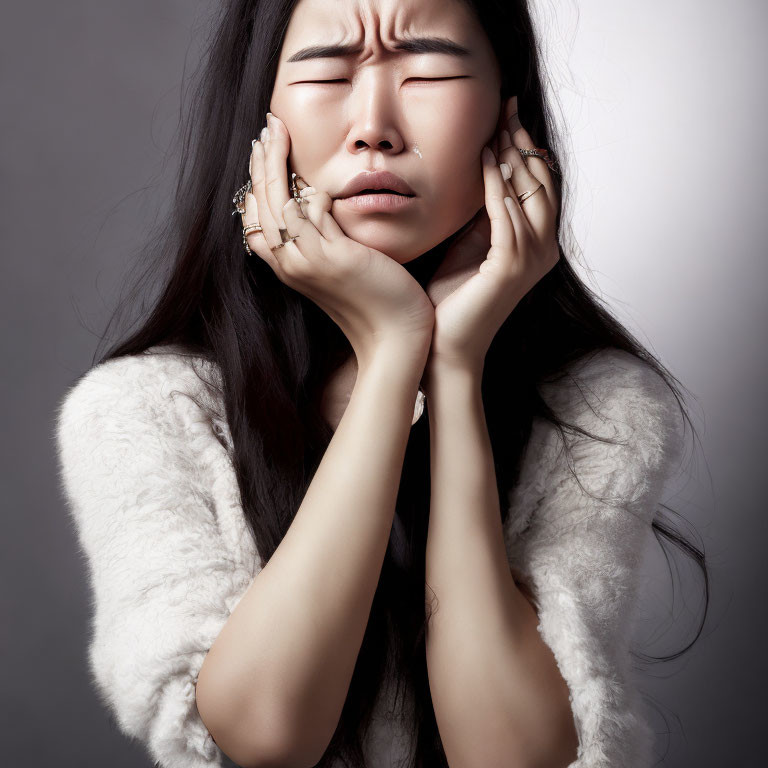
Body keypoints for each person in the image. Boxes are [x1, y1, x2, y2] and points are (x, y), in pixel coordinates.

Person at [54, 1, 706, 767]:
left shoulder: (602, 408)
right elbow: (266, 732)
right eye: (328, 69)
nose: (374, 126)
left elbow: (513, 757)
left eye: (428, 68)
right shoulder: (142, 411)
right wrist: (394, 349)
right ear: (259, 116)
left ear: (509, 111)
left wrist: (453, 368)